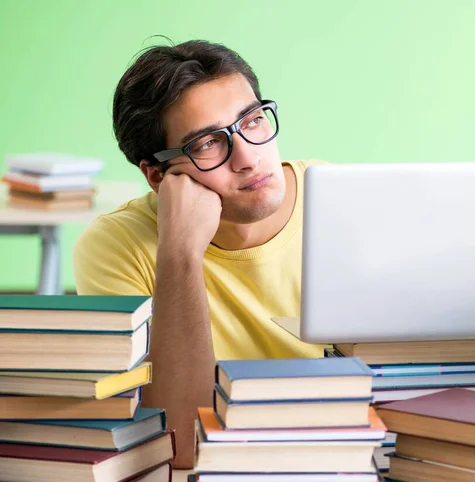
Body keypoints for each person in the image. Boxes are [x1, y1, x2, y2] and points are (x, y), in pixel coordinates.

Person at [73, 39, 325, 468]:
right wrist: (180, 252)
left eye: (253, 120)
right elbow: (178, 443)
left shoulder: (337, 199)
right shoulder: (115, 246)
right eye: (208, 143)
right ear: (157, 175)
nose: (248, 157)